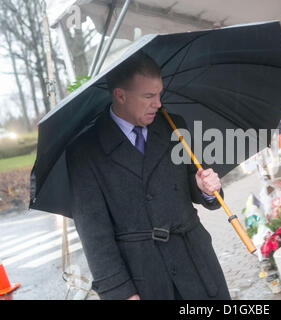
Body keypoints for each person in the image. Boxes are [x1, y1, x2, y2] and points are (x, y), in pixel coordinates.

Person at [66, 51, 231, 300]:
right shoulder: (85, 152)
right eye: (148, 96)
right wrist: (121, 292)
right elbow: (94, 234)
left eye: (159, 94)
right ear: (120, 95)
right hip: (145, 280)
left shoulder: (174, 126)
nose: (158, 104)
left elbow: (196, 185)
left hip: (197, 265)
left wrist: (207, 190)